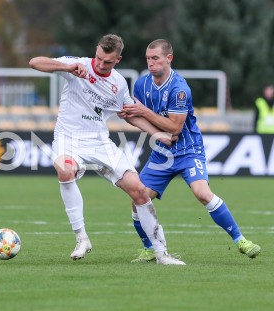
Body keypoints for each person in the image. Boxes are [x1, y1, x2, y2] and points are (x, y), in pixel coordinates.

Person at [29, 34, 185, 265]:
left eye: (108, 62)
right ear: (96, 51)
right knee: (65, 170)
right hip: (68, 138)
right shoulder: (78, 65)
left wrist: (157, 134)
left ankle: (162, 253)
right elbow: (35, 62)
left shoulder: (119, 84)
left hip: (99, 142)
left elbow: (130, 115)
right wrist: (67, 67)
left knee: (139, 191)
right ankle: (81, 238)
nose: (101, 65)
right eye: (99, 58)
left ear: (118, 60)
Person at [119, 39, 261, 263]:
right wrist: (135, 117)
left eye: (155, 58)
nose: (150, 63)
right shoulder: (141, 85)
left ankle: (240, 240)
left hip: (188, 151)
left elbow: (175, 127)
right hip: (161, 153)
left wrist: (144, 112)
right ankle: (148, 248)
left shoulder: (180, 89)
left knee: (202, 194)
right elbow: (135, 117)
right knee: (139, 198)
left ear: (169, 58)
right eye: (148, 58)